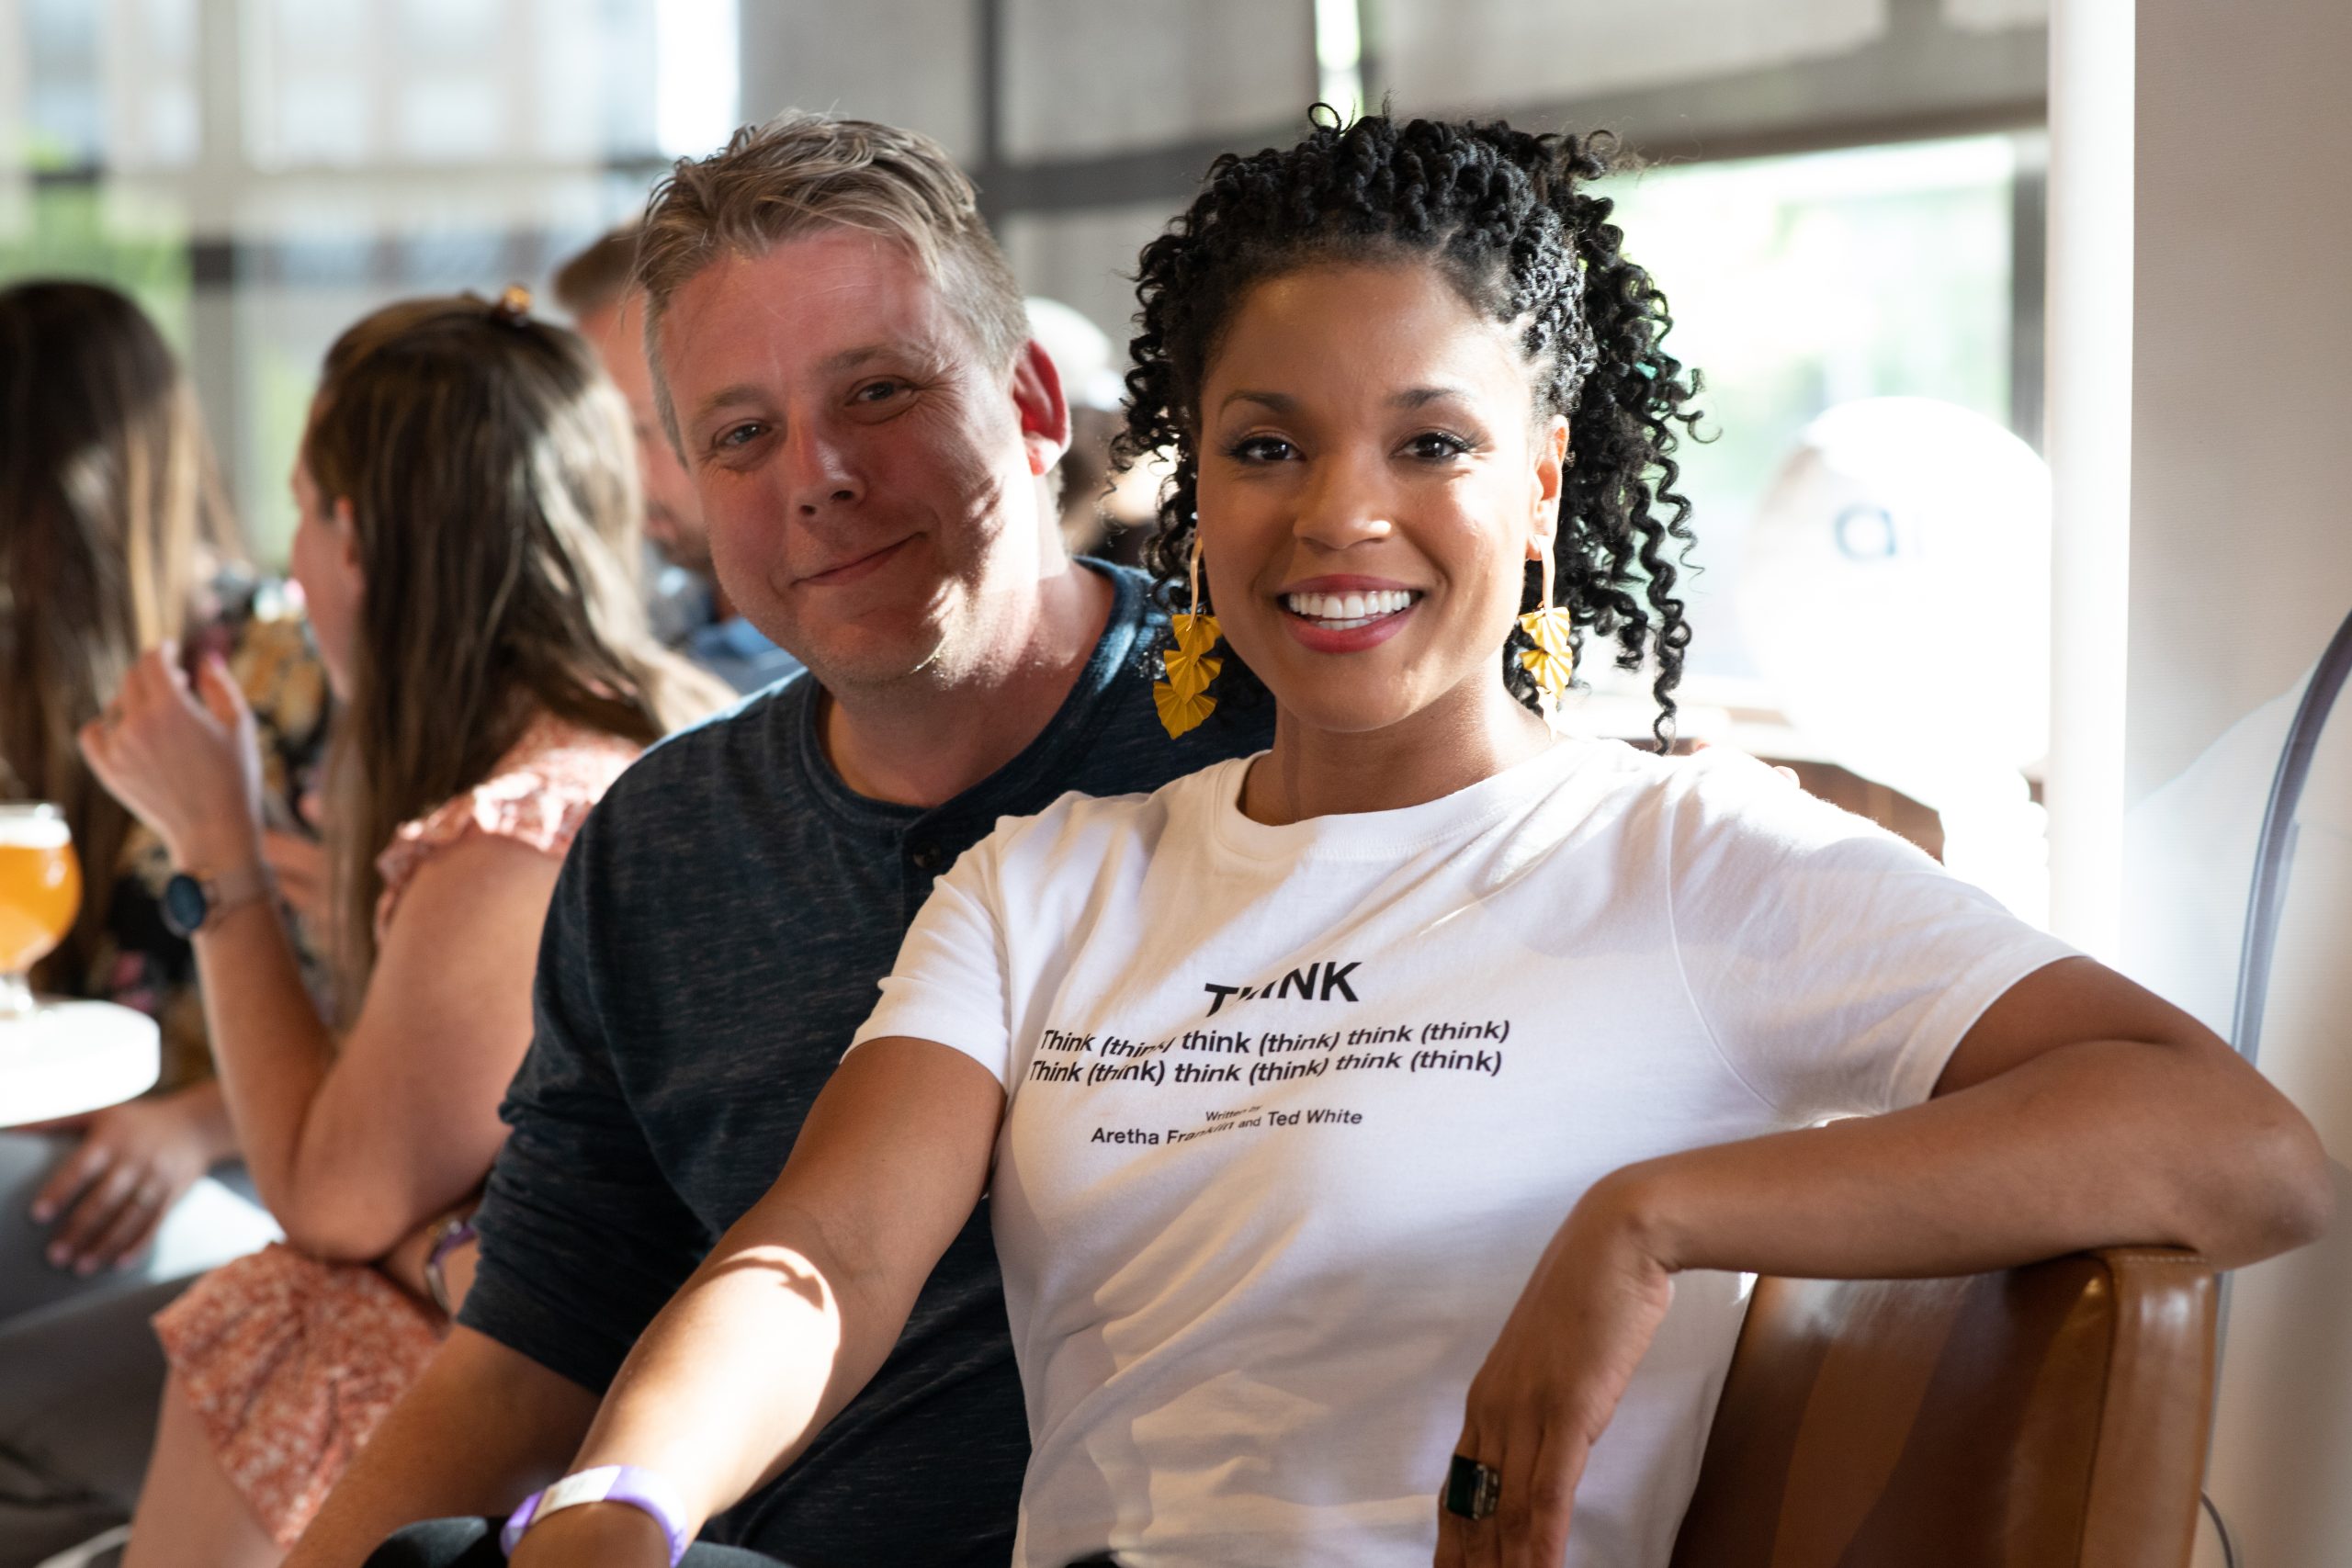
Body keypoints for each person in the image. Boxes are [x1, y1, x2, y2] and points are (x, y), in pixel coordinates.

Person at [502, 116, 2332, 1568]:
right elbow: (819, 1255)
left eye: (1430, 440)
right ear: (1196, 493)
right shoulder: (1046, 879)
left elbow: (2240, 1147)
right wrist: (625, 1495)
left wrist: (1648, 1220)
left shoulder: (1687, 860)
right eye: (1268, 445)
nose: (1340, 515)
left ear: (1537, 481)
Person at [281, 113, 1273, 1568]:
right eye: (742, 434)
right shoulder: (660, 842)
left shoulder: (1275, 732)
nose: (817, 473)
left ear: (1034, 401)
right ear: (682, 481)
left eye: (879, 390)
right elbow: (529, 1349)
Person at [74, 289, 729, 1568]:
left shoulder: (527, 830)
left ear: (358, 538)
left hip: (605, 1423)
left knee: (291, 1310)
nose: (292, 560)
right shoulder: (611, 746)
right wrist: (431, 1236)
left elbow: (327, 1193)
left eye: (304, 506)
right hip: (599, 1380)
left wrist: (221, 846)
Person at [0, 279, 321, 1564]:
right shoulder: (36, 671)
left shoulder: (285, 669)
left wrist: (187, 1124)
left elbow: (410, 1030)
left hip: (237, 1166)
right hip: (65, 1149)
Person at [551, 226, 802, 694]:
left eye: (639, 431)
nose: (618, 475)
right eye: (604, 441)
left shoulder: (841, 688)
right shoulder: (653, 626)